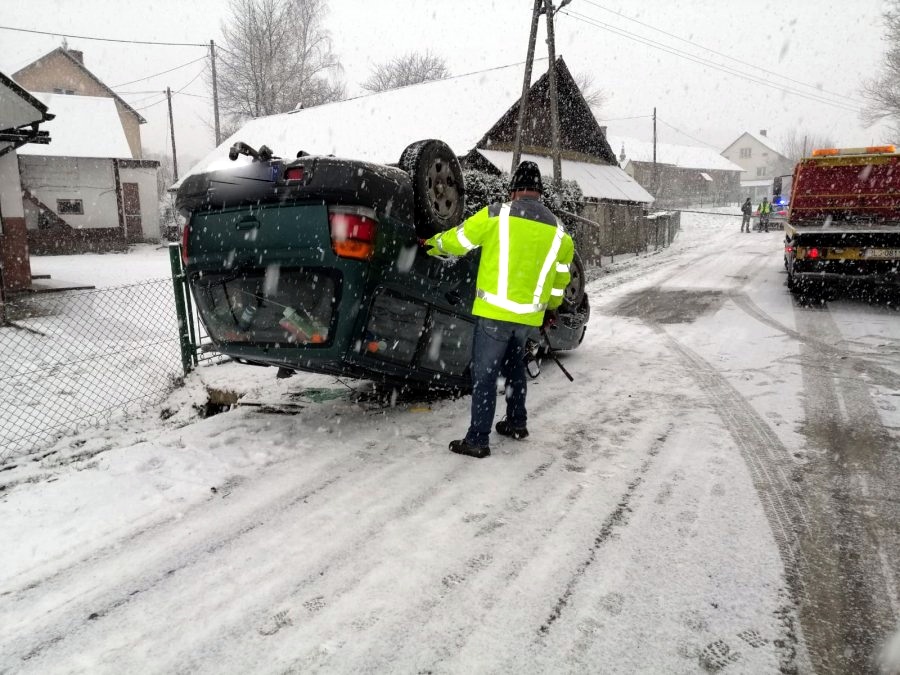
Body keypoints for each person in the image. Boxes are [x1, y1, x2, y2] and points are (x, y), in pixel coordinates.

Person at [423, 161, 573, 459]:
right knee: (514, 367)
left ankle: (477, 439)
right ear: (539, 193)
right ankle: (517, 423)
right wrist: (550, 310)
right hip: (527, 317)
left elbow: (458, 241)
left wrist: (432, 243)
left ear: (514, 189)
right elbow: (560, 282)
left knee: (485, 375)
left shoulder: (497, 214)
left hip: (494, 313)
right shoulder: (559, 231)